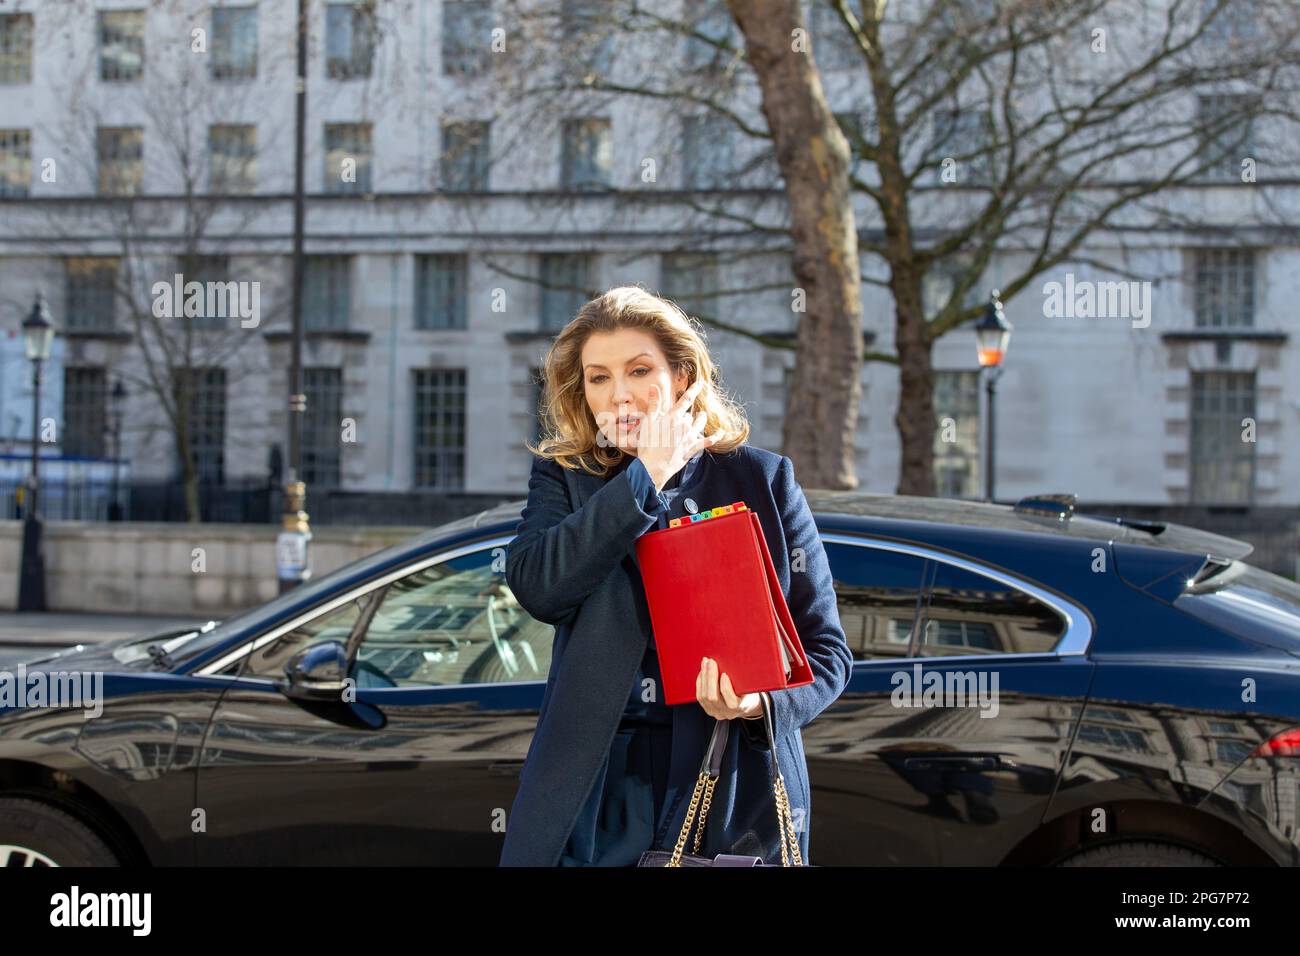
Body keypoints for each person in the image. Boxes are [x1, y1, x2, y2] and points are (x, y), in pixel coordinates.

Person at [498, 286, 852, 867]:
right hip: (597, 781)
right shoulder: (567, 476)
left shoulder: (761, 479)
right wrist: (647, 475)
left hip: (730, 774)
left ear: (683, 376)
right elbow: (539, 586)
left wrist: (760, 704)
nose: (620, 395)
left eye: (639, 371)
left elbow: (828, 653)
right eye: (598, 378)